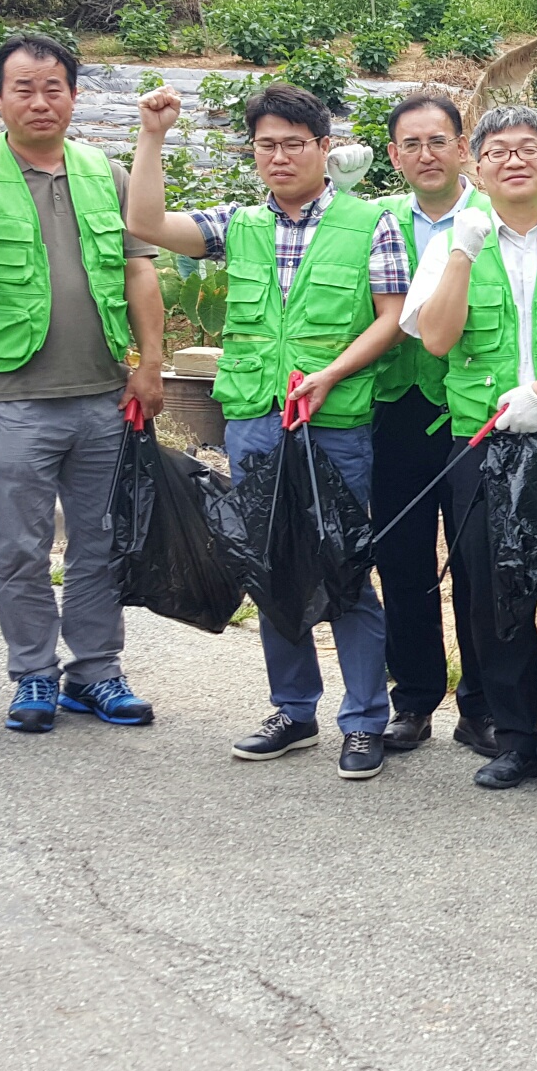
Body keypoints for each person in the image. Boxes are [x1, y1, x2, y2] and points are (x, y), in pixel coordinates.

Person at [125, 81, 410, 780]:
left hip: (335, 423)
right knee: (270, 565)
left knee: (344, 567)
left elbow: (391, 316)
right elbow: (148, 220)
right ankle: (294, 709)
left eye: (293, 144)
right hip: (255, 418)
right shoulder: (239, 224)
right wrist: (153, 135)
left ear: (322, 148)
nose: (279, 157)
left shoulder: (371, 224)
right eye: (266, 145)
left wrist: (331, 373)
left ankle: (366, 720)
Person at [0, 33, 167, 734]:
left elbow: (139, 268)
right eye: (22, 88)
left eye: (53, 87)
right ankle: (32, 675)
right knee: (21, 545)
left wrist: (149, 362)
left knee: (99, 539)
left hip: (103, 393)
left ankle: (96, 673)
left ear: (74, 96)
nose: (40, 101)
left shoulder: (101, 171)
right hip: (13, 398)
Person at [404, 106, 537, 804]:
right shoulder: (455, 240)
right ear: (477, 166)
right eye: (497, 151)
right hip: (483, 447)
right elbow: (435, 338)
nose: (514, 160)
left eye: (530, 149)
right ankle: (513, 737)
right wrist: (462, 253)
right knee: (493, 594)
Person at [368, 92, 497, 758]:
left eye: (438, 141)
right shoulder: (375, 220)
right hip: (398, 405)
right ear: (393, 155)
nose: (425, 154)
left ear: (462, 145)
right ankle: (413, 697)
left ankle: (482, 705)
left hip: (475, 409)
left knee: (477, 559)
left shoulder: (494, 214)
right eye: (411, 144)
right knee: (403, 557)